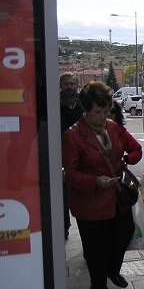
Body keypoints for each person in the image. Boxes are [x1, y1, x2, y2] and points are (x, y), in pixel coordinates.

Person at [62, 81, 142, 289]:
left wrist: (125, 161)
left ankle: (112, 270)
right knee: (95, 248)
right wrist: (95, 181)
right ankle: (98, 286)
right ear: (86, 110)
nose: (103, 117)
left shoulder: (113, 127)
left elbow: (134, 149)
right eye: (98, 112)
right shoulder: (73, 135)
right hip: (90, 203)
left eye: (106, 111)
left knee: (124, 234)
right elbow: (69, 173)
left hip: (116, 197)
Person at [60, 73, 84, 240]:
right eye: (66, 84)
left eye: (72, 84)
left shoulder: (84, 105)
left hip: (81, 157)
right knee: (62, 195)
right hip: (60, 157)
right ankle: (63, 227)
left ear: (77, 85)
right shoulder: (53, 104)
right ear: (61, 86)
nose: (69, 87)